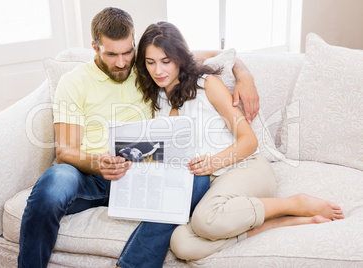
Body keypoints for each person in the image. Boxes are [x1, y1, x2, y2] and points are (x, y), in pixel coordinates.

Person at [17, 7, 259, 268]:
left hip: (141, 174)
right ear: (95, 47)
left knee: (193, 178)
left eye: (127, 52)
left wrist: (244, 75)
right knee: (54, 181)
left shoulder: (148, 68)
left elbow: (201, 56)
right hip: (91, 176)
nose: (121, 63)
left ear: (134, 45)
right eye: (111, 54)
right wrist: (100, 163)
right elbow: (65, 151)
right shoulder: (74, 82)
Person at [134, 21, 345, 261]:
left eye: (166, 61)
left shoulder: (207, 85)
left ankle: (293, 203)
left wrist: (244, 75)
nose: (158, 70)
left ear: (179, 58)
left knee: (205, 221)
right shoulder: (156, 99)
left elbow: (249, 140)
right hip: (208, 186)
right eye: (150, 62)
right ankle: (270, 225)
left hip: (244, 168)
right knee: (182, 244)